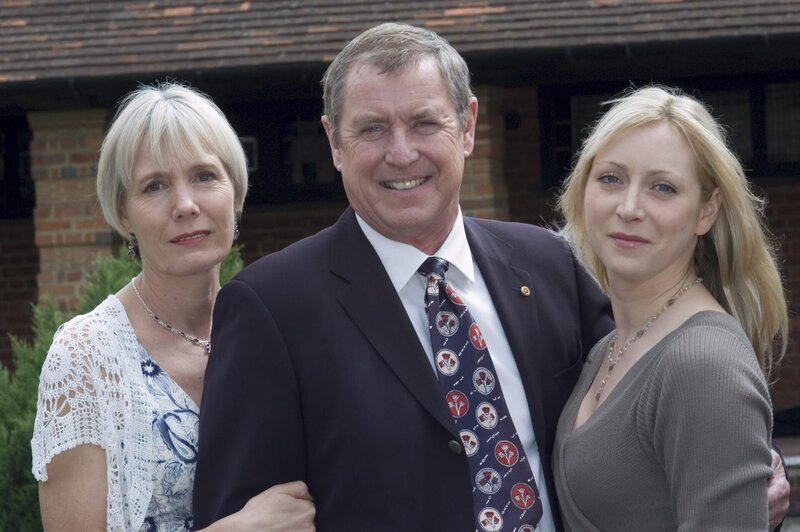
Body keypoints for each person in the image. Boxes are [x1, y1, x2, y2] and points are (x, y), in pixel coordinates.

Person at [193, 24, 790, 531]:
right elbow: (244, 517)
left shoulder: (548, 265)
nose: (401, 153)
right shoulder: (271, 308)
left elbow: (648, 386)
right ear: (334, 142)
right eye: (372, 128)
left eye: (424, 123)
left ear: (468, 125)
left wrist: (737, 465)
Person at [31, 82, 315, 531]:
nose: (185, 205)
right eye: (155, 185)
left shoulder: (284, 328)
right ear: (124, 214)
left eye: (204, 176)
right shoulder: (84, 358)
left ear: (235, 193)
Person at [552, 85, 789, 530]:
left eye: (663, 188)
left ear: (706, 212)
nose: (629, 208)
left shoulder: (704, 363)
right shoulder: (606, 349)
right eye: (611, 179)